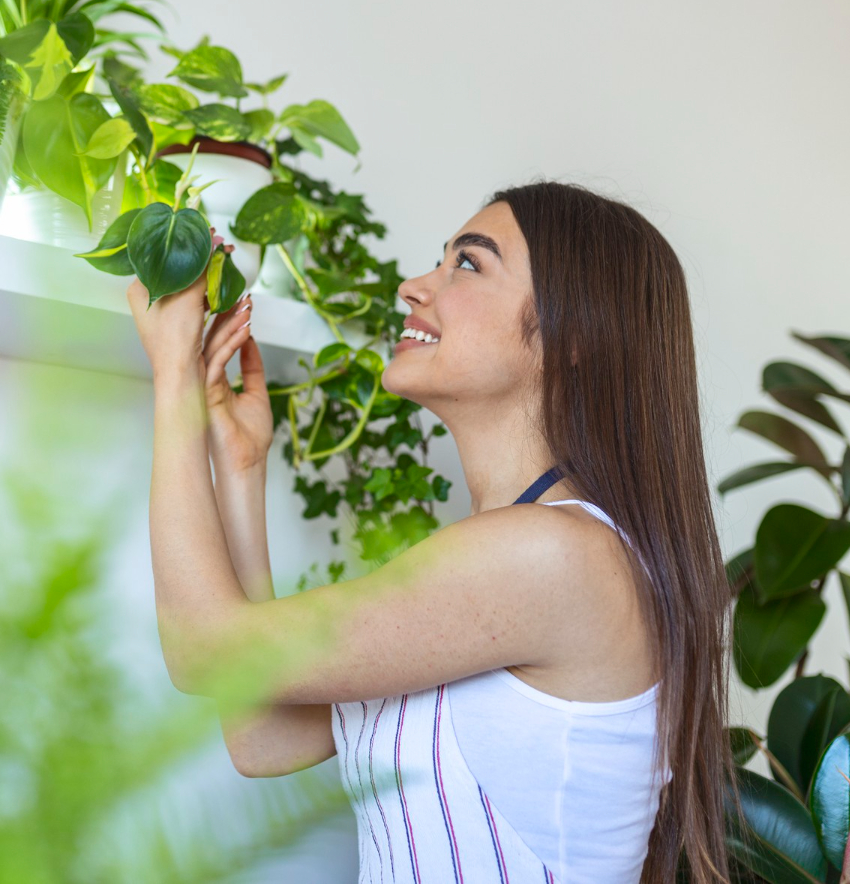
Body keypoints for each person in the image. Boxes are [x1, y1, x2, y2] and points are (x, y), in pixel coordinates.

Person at [128, 180, 734, 884]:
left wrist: (173, 374)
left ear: (575, 334)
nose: (415, 287)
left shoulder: (556, 557)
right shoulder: (513, 561)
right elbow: (264, 738)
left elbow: (204, 651)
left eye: (468, 265)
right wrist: (240, 468)